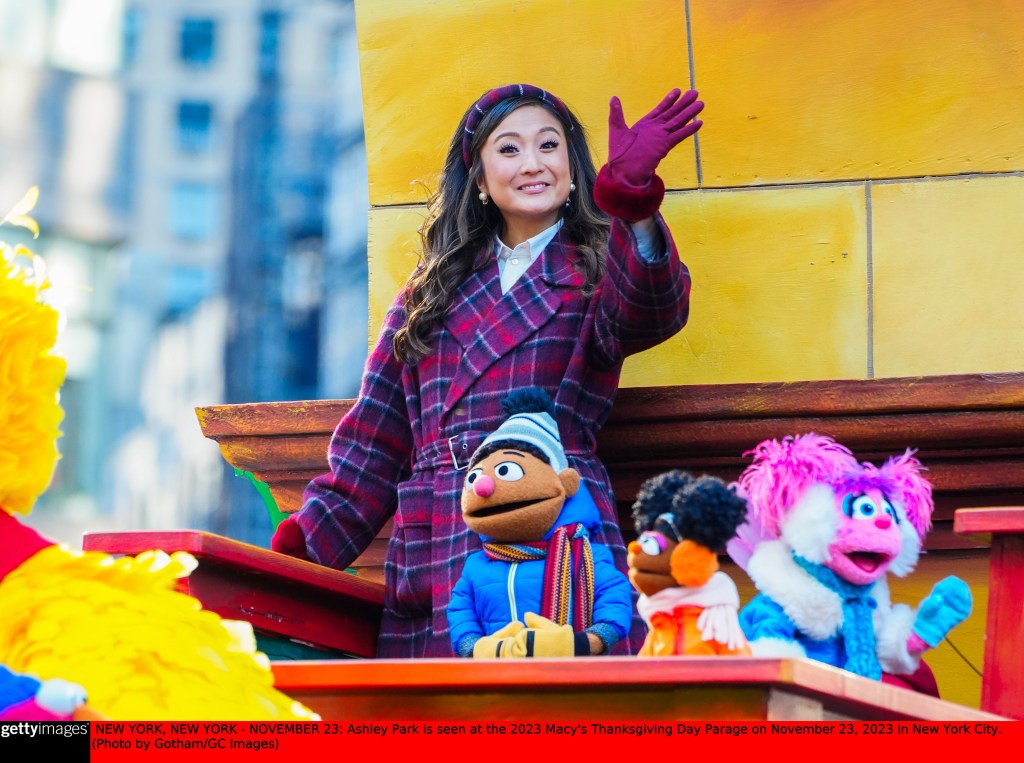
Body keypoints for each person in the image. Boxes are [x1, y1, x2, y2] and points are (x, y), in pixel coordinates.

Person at [272, 82, 704, 658]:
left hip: (554, 528)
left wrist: (635, 207)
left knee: (557, 730)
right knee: (442, 735)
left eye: (550, 147)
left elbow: (651, 308)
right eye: (509, 149)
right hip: (440, 533)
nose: (533, 164)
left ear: (574, 171)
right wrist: (296, 549)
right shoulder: (429, 292)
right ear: (477, 178)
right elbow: (373, 442)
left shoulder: (596, 268)